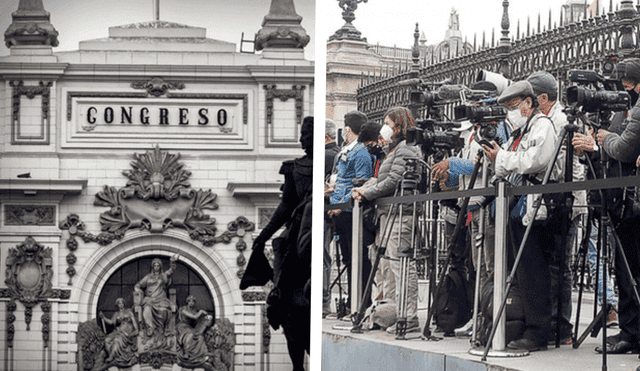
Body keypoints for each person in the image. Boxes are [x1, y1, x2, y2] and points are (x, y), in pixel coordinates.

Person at [483, 80, 564, 352]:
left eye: (514, 105)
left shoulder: (543, 126)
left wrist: (502, 158)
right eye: (508, 107)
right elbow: (508, 162)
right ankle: (526, 325)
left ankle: (538, 331)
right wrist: (498, 159)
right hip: (518, 209)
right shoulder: (520, 131)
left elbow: (536, 160)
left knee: (535, 272)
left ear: (529, 103)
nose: (511, 111)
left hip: (536, 210)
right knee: (521, 273)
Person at [573, 57, 640, 355]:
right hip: (619, 199)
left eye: (627, 82)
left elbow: (624, 148)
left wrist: (603, 141)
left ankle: (632, 333)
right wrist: (597, 145)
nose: (625, 88)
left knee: (630, 270)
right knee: (623, 269)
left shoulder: (636, 108)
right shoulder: (624, 110)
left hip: (630, 201)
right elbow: (616, 149)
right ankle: (629, 330)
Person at [241, 116, 313, 371]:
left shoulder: (331, 160)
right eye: (301, 133)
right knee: (282, 242)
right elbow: (285, 206)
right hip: (298, 221)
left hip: (320, 216)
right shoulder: (295, 167)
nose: (301, 138)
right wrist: (264, 235)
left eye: (305, 133)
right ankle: (278, 291)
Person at [352, 106, 421, 335]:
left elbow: (393, 180)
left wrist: (367, 193)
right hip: (390, 212)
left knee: (401, 266)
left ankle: (408, 316)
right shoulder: (395, 149)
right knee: (390, 266)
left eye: (388, 123)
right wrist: (364, 188)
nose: (385, 127)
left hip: (401, 213)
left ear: (399, 125)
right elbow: (382, 178)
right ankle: (394, 313)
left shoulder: (406, 149)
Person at [527, 71, 574, 344]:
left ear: (543, 98)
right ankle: (548, 322)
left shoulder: (559, 121)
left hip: (561, 201)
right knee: (547, 264)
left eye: (532, 99)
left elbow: (562, 166)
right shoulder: (543, 120)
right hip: (546, 200)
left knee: (559, 266)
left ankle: (561, 326)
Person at [327, 110, 374, 314]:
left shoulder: (361, 151)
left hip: (351, 212)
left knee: (357, 258)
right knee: (348, 258)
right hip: (341, 211)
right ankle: (352, 301)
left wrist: (342, 203)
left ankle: (361, 302)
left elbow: (361, 183)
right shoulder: (347, 149)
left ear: (348, 129)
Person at [134, 255, 178, 338]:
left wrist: (172, 262)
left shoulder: (163, 275)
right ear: (153, 266)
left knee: (164, 311)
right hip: (149, 300)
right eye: (155, 265)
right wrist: (136, 289)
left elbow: (171, 270)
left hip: (161, 300)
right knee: (147, 309)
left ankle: (161, 329)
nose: (156, 267)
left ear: (160, 267)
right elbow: (138, 284)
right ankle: (150, 328)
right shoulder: (148, 277)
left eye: (158, 265)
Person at [323, 119, 340, 317]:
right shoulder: (337, 154)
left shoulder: (326, 156)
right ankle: (324, 300)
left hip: (324, 213)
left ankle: (322, 300)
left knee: (321, 257)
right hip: (331, 214)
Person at [176, 295, 214, 370]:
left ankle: (202, 355)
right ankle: (187, 353)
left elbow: (197, 322)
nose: (191, 303)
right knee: (189, 334)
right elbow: (194, 317)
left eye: (193, 301)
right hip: (182, 327)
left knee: (200, 337)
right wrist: (201, 311)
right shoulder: (183, 309)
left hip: (190, 328)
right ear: (187, 302)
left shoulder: (194, 311)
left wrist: (206, 321)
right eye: (190, 301)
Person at [99, 297, 139, 367]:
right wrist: (103, 317)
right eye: (119, 303)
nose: (121, 305)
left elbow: (134, 322)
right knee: (107, 340)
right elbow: (111, 322)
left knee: (117, 340)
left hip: (126, 333)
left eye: (122, 303)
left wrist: (136, 330)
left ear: (124, 304)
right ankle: (112, 356)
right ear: (117, 305)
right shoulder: (116, 314)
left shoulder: (129, 312)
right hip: (118, 331)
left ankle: (111, 356)